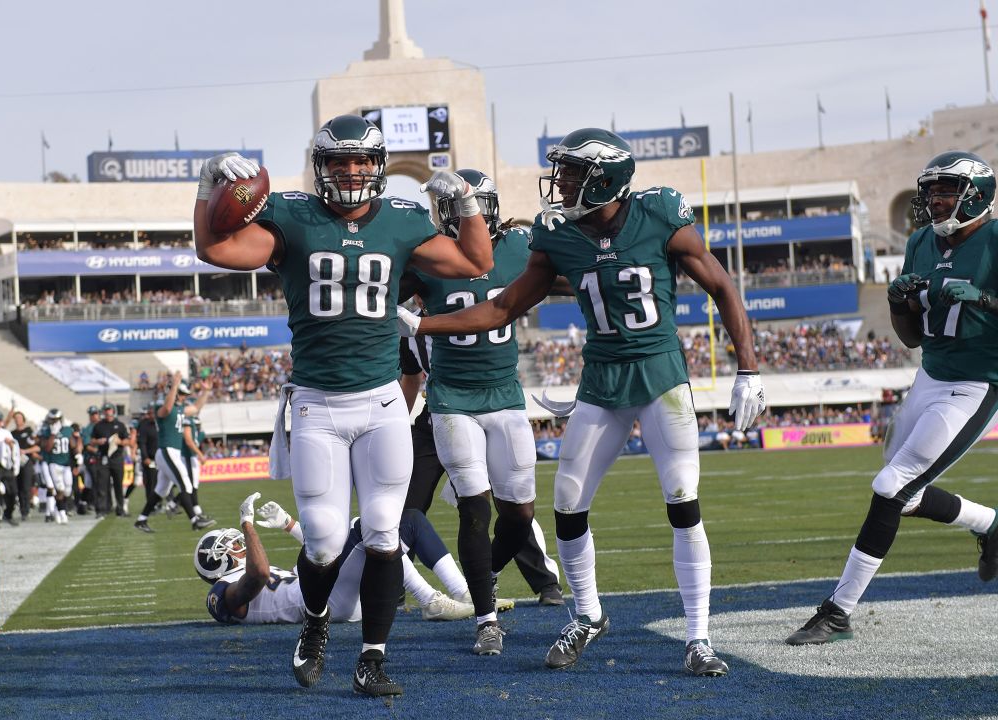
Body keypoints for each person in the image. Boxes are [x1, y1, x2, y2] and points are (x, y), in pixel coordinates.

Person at [397, 128, 766, 676]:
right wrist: (423, 322)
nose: (561, 183)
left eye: (571, 173)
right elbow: (501, 309)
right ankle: (588, 614)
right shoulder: (556, 234)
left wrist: (748, 368)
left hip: (661, 377)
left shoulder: (661, 212)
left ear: (605, 176)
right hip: (601, 381)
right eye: (562, 172)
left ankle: (698, 636)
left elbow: (723, 287)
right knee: (567, 504)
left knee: (682, 500)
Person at [193, 113, 494, 697]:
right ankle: (314, 623)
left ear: (378, 167)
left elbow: (476, 263)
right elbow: (214, 248)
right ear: (321, 167)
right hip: (318, 404)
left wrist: (466, 204)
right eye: (339, 161)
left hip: (382, 401)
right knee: (326, 539)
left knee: (384, 533)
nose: (351, 171)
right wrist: (210, 187)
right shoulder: (293, 215)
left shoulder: (404, 220)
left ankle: (373, 660)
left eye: (361, 160)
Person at [785, 151, 998, 646]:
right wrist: (896, 301)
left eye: (947, 191)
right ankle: (990, 524)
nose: (935, 201)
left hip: (975, 383)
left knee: (891, 485)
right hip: (929, 375)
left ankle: (838, 610)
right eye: (931, 192)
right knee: (904, 494)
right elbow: (911, 338)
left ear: (977, 195)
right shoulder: (922, 241)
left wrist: (985, 300)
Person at [399, 169, 547, 656]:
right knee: (475, 507)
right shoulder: (431, 254)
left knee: (521, 514)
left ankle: (484, 576)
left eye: (470, 204)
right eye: (456, 206)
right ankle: (486, 618)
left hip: (505, 392)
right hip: (452, 397)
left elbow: (564, 276)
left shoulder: (518, 247)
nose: (463, 214)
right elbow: (372, 290)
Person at [200, 493, 472, 626]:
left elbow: (321, 556)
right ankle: (430, 601)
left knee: (410, 520)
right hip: (325, 604)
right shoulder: (223, 591)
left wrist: (288, 523)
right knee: (362, 528)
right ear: (218, 562)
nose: (239, 546)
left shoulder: (256, 578)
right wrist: (247, 525)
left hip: (332, 593)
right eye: (233, 546)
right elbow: (258, 573)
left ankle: (465, 592)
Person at [137, 373, 214, 530]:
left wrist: (205, 392)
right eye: (182, 394)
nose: (185, 397)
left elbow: (196, 408)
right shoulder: (162, 406)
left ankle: (141, 520)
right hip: (167, 451)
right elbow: (166, 408)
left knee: (161, 490)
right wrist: (174, 386)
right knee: (185, 484)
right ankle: (194, 521)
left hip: (172, 453)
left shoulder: (180, 409)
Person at [91, 402, 131, 517]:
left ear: (113, 411)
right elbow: (92, 440)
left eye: (109, 410)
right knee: (102, 485)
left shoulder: (120, 425)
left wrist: (119, 442)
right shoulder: (99, 426)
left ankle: (120, 508)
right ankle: (101, 509)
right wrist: (98, 441)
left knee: (119, 484)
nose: (107, 412)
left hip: (117, 457)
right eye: (106, 410)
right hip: (104, 457)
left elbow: (128, 441)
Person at [38, 409, 74, 525]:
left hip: (66, 464)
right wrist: (53, 434)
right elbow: (47, 448)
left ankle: (59, 508)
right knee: (59, 489)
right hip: (54, 463)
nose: (55, 422)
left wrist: (78, 452)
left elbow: (73, 444)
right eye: (53, 420)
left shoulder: (68, 430)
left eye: (57, 419)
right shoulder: (46, 431)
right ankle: (61, 512)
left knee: (68, 490)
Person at [9, 410, 40, 522]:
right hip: (16, 462)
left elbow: (37, 447)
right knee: (17, 487)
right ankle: (22, 509)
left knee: (26, 487)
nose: (17, 420)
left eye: (19, 417)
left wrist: (25, 451)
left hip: (26, 461)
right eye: (16, 418)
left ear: (23, 419)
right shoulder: (12, 433)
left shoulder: (29, 431)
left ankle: (26, 510)